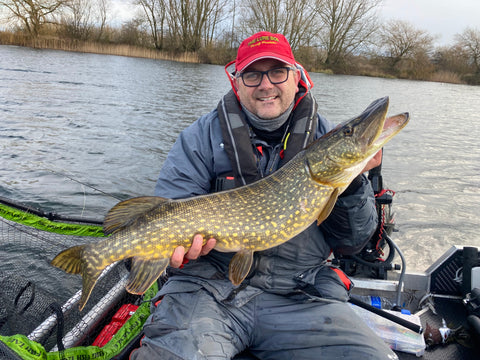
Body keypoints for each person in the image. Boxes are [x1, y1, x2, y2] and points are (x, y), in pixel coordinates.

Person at [130, 31, 398, 360]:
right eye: (253, 74)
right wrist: (181, 251)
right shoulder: (199, 139)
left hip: (302, 297)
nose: (266, 84)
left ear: (297, 77)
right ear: (237, 82)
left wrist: (354, 182)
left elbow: (353, 242)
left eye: (277, 72)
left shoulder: (323, 138)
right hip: (208, 293)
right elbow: (168, 211)